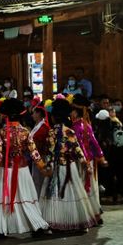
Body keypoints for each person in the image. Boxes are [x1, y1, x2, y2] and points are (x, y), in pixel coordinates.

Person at [0, 98, 50, 236]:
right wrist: (42, 166)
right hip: (23, 169)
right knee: (26, 196)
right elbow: (34, 152)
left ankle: (3, 228)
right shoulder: (25, 132)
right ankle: (37, 225)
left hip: (6, 170)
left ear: (6, 115)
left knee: (6, 198)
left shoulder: (2, 132)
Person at [39, 99, 98, 231]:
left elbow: (49, 152)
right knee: (73, 193)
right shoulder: (69, 131)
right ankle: (77, 221)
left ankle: (56, 220)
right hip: (70, 168)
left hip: (56, 167)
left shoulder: (51, 132)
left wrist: (47, 166)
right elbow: (78, 150)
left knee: (55, 194)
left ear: (53, 117)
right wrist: (85, 164)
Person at [71, 94, 107, 223]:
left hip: (83, 161)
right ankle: (95, 214)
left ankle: (87, 215)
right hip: (89, 160)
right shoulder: (84, 124)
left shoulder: (76, 127)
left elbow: (87, 144)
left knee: (84, 187)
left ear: (75, 112)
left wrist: (98, 157)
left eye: (71, 110)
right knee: (91, 187)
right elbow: (95, 143)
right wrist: (100, 156)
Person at [30, 105, 51, 196]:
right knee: (36, 180)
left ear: (38, 114)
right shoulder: (37, 125)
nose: (32, 115)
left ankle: (40, 200)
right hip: (35, 156)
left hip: (41, 157)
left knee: (40, 181)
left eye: (34, 113)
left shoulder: (44, 127)